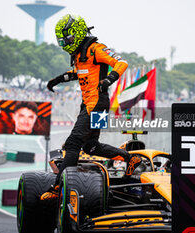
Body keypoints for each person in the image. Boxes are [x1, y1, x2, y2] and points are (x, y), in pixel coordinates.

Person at [41, 14, 141, 201]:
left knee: (72, 144)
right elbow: (79, 73)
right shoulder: (80, 53)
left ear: (78, 33)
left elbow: (121, 63)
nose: (65, 43)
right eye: (62, 40)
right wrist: (58, 80)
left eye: (68, 38)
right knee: (91, 146)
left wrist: (109, 79)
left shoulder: (96, 48)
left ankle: (57, 187)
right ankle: (129, 158)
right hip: (91, 104)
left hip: (96, 104)